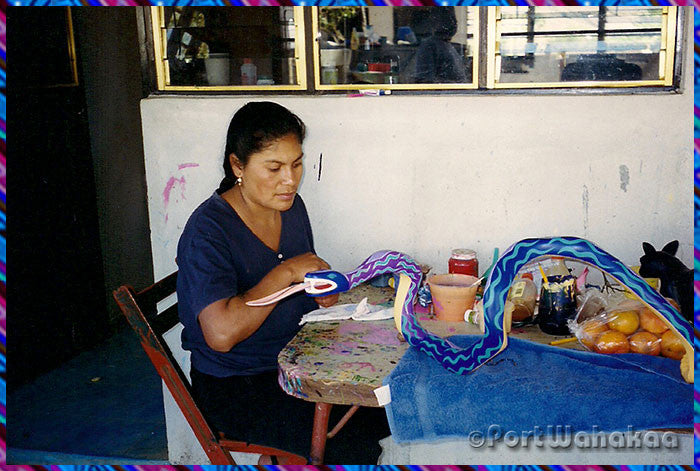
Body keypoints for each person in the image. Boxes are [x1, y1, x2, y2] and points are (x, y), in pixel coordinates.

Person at [176, 101, 388, 463]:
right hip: (237, 386)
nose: (290, 180)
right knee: (350, 438)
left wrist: (317, 292)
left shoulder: (291, 208)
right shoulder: (208, 231)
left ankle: (277, 461)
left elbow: (299, 286)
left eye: (296, 164)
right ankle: (281, 459)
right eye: (274, 168)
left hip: (294, 364)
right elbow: (221, 334)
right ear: (237, 165)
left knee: (383, 407)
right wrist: (286, 272)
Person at [413, 7, 467, 83]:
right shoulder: (430, 46)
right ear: (434, 22)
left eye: (454, 21)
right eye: (448, 20)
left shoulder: (447, 46)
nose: (453, 24)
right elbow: (425, 81)